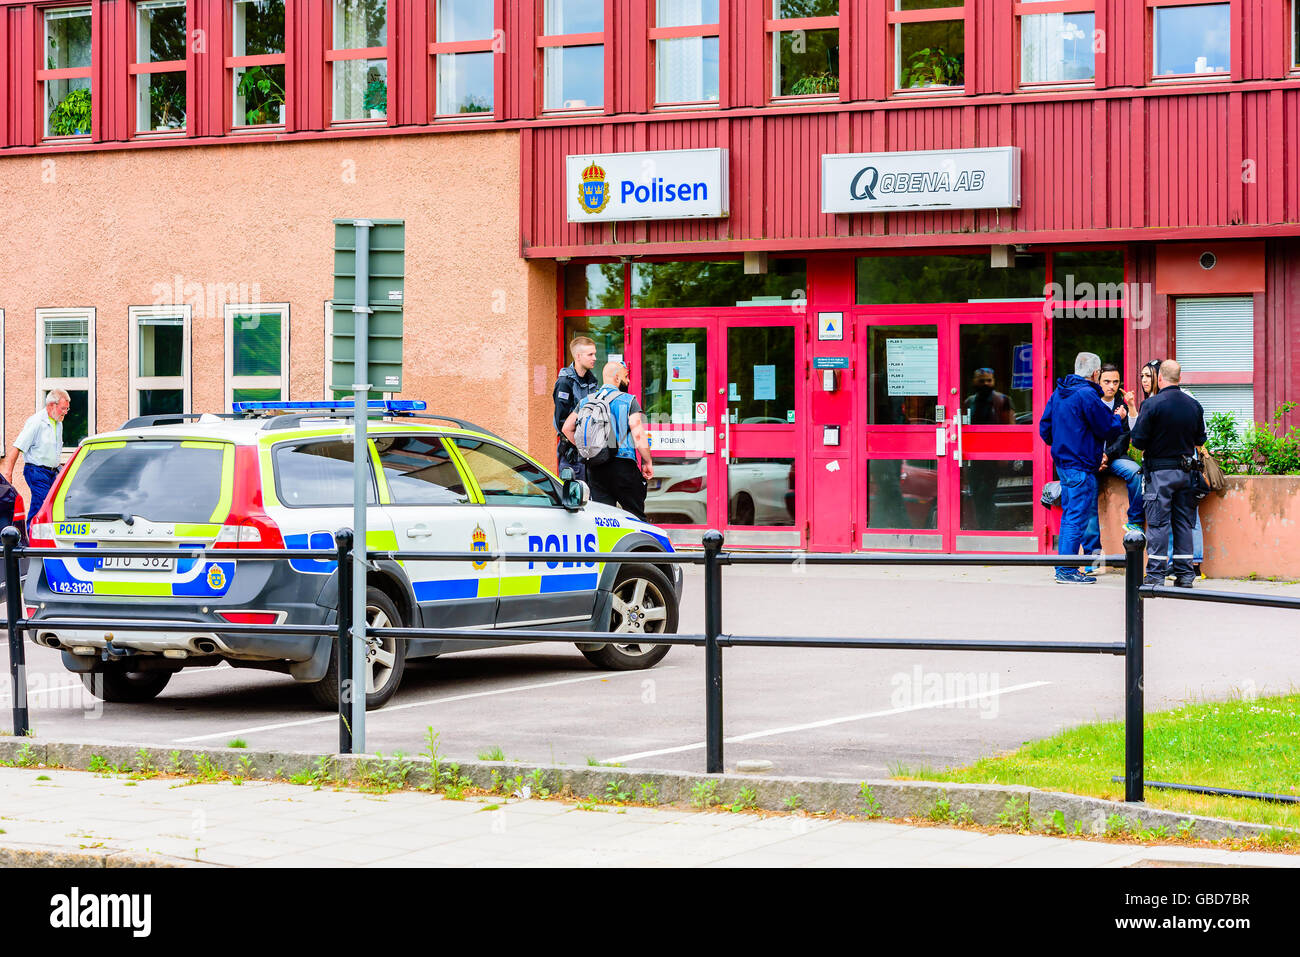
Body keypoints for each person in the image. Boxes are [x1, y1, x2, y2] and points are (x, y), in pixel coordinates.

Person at [1039, 352, 1135, 584]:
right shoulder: (1087, 395)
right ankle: (1066, 570)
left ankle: (1064, 567)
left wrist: (1064, 443)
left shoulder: (1059, 392)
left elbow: (1045, 429)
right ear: (1095, 373)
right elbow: (1106, 428)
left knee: (1069, 516)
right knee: (1076, 517)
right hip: (1081, 465)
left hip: (1064, 463)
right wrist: (1119, 416)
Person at [1130, 359, 1206, 588]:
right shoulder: (1193, 405)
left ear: (1160, 378)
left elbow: (1138, 441)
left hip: (1159, 474)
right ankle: (1185, 575)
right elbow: (1200, 439)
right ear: (1179, 378)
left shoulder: (1152, 405)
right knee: (1183, 523)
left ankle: (1155, 575)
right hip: (1186, 473)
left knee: (1158, 524)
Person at [562, 361, 654, 520]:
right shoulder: (628, 400)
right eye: (626, 376)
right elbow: (638, 434)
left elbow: (567, 428)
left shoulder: (586, 401)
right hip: (623, 466)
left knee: (604, 519)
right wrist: (648, 461)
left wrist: (587, 448)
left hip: (595, 467)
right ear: (617, 378)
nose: (628, 381)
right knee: (635, 518)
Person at [1081, 363, 1145, 561]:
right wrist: (1096, 456)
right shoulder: (1090, 401)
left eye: (1115, 382)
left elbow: (1124, 437)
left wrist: (1107, 455)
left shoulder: (1122, 405)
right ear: (1098, 381)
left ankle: (1134, 521)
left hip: (1114, 458)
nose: (1111, 386)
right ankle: (1093, 557)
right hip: (1090, 460)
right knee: (1089, 505)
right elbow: (1083, 433)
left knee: (1136, 472)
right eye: (1107, 381)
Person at [1, 388, 72, 533]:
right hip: (36, 471)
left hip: (51, 472)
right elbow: (17, 447)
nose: (65, 412)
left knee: (51, 504)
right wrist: (8, 473)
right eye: (63, 408)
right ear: (51, 405)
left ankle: (38, 535)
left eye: (67, 409)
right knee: (42, 503)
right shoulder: (36, 422)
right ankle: (32, 539)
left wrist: (60, 468)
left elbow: (51, 452)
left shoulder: (58, 423)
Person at [552, 336, 599, 482]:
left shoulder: (592, 381)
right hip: (572, 453)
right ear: (578, 356)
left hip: (590, 453)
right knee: (575, 498)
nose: (595, 358)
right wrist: (582, 448)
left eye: (595, 354)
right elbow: (562, 422)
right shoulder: (565, 382)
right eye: (590, 354)